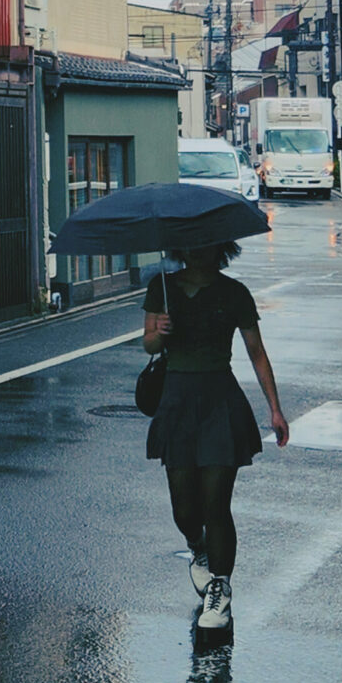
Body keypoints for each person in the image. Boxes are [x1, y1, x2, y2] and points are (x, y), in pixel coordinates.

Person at [143, 242, 288, 637]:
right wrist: (160, 330)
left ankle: (220, 587)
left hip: (219, 402)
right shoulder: (163, 287)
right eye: (193, 242)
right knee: (184, 509)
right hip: (176, 401)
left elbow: (256, 352)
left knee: (216, 502)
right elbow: (149, 345)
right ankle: (199, 547)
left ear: (220, 248)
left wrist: (274, 409)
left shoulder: (234, 292)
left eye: (207, 243)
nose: (199, 250)